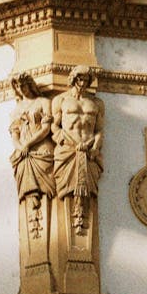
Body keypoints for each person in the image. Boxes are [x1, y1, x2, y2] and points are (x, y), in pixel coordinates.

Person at [52, 66, 104, 232]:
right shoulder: (61, 100)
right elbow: (54, 126)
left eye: (86, 80)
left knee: (87, 189)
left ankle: (82, 216)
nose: (82, 83)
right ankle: (75, 216)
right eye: (79, 79)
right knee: (70, 188)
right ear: (73, 79)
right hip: (68, 150)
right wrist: (64, 140)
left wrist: (95, 147)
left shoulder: (96, 103)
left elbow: (99, 130)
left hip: (89, 151)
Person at [9, 73, 56, 216]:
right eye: (17, 86)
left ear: (30, 84)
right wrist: (20, 147)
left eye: (23, 84)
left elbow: (46, 128)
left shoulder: (43, 102)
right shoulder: (15, 111)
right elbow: (14, 134)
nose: (21, 88)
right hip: (23, 153)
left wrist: (28, 144)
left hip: (41, 149)